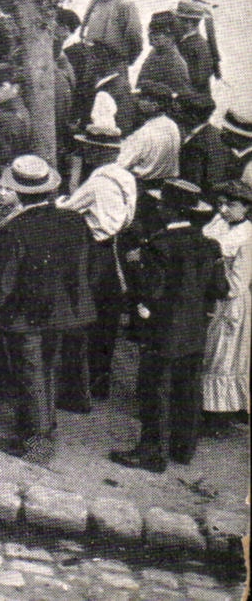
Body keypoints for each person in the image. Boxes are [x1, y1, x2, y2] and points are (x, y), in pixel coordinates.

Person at [0, 156, 95, 464]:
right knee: (48, 365)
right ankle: (45, 422)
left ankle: (37, 441)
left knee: (30, 371)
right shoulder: (73, 220)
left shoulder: (15, 228)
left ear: (18, 193)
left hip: (25, 313)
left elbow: (2, 283)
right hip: (63, 311)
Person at [111, 179, 219, 472]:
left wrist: (134, 265)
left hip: (163, 329)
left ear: (169, 210)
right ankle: (182, 448)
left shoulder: (160, 246)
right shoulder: (209, 245)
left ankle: (152, 452)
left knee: (154, 389)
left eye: (162, 204)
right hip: (194, 329)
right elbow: (219, 288)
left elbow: (151, 290)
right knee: (187, 389)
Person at [57, 125, 136, 402]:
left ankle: (74, 389)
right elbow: (128, 219)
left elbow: (67, 210)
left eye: (89, 146)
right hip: (113, 250)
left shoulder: (97, 182)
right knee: (107, 323)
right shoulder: (126, 178)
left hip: (92, 253)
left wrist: (61, 199)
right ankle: (99, 382)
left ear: (98, 151)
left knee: (79, 318)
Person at [201, 180, 251, 433]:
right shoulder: (218, 223)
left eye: (230, 205)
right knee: (208, 354)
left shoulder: (248, 236)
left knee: (224, 357)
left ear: (246, 208)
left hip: (229, 303)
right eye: (220, 203)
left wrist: (216, 283)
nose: (223, 209)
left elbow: (239, 282)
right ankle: (203, 408)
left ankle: (218, 418)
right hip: (208, 296)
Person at [82, 0, 144, 70]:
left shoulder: (125, 3)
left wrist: (124, 61)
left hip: (113, 64)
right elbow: (85, 25)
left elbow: (135, 37)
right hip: (90, 59)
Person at [119, 80, 182, 183]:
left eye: (142, 98)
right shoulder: (173, 126)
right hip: (163, 183)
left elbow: (121, 164)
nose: (138, 101)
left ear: (154, 105)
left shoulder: (145, 132)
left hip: (140, 185)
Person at [178, 92, 231, 194]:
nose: (178, 115)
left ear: (193, 116)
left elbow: (191, 183)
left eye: (181, 112)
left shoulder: (196, 146)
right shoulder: (218, 134)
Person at [137, 11, 191, 100]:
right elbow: (140, 84)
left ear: (171, 36)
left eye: (159, 32)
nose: (152, 36)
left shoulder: (175, 62)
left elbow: (178, 96)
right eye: (151, 31)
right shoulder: (154, 54)